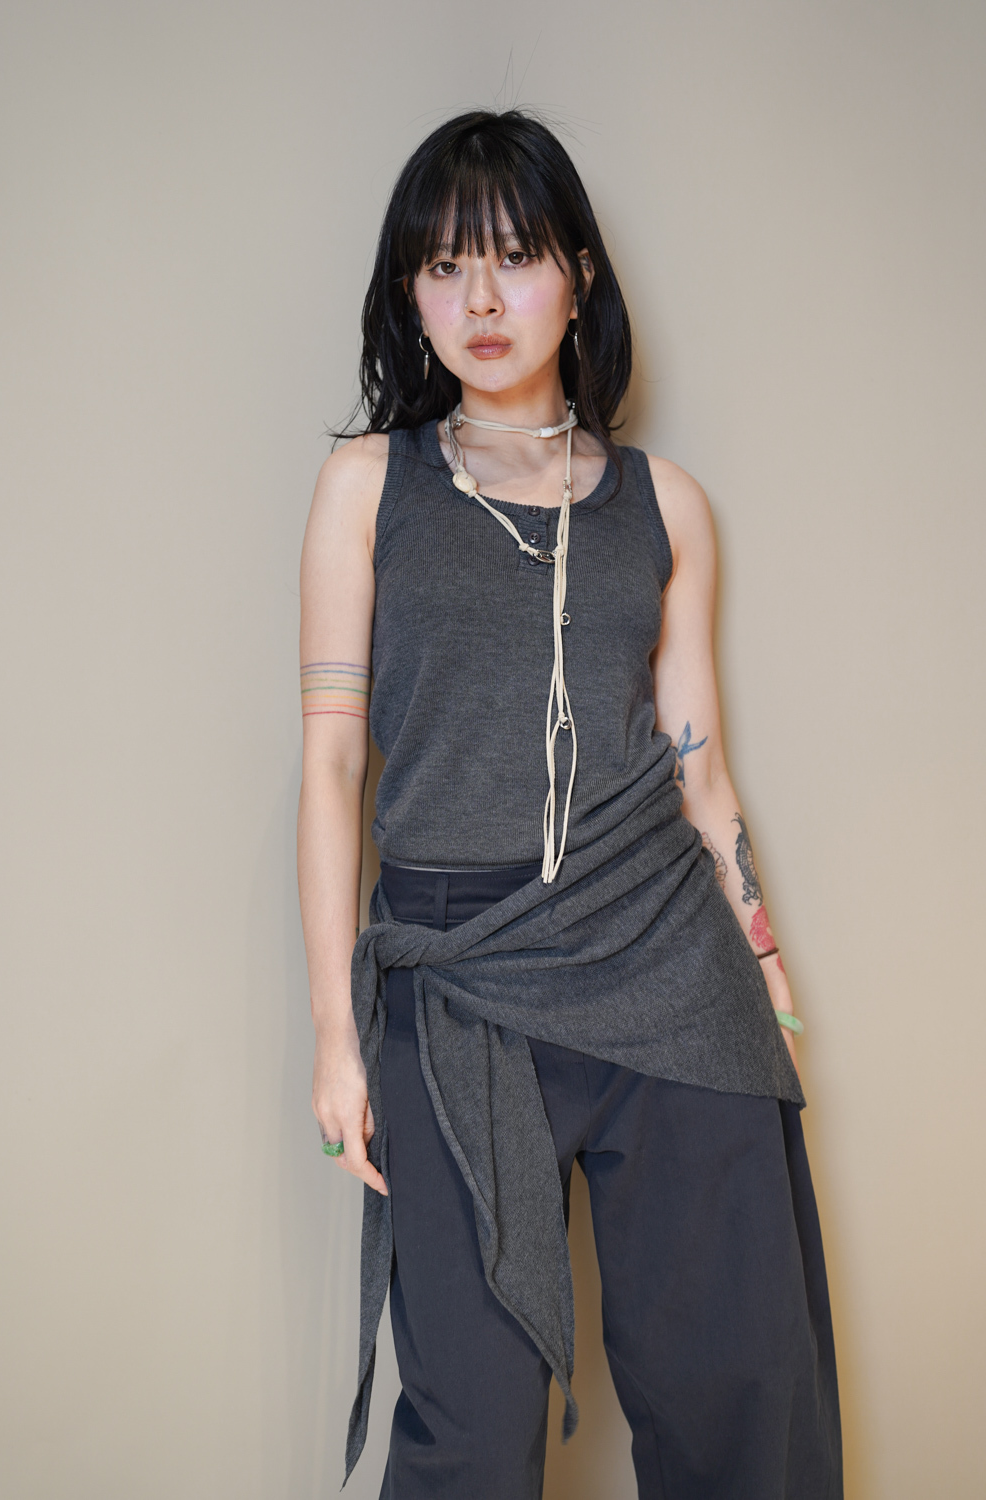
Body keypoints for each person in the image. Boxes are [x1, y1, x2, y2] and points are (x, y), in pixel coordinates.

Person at [297, 108, 842, 1500]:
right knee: (473, 1435)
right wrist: (337, 1040)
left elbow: (697, 765)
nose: (480, 301)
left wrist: (765, 963)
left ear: (580, 276)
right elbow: (334, 765)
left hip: (662, 959)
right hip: (457, 984)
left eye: (518, 257)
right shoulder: (367, 487)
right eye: (444, 266)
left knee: (742, 1396)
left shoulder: (668, 506)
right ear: (410, 290)